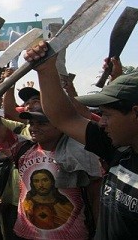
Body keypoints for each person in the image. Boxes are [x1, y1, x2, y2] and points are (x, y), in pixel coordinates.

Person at [24, 41, 138, 239]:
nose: (100, 122)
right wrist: (45, 70)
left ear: (135, 113)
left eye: (107, 115)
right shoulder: (118, 150)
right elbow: (63, 118)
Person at [0, 68, 103, 240]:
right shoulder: (24, 150)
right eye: (32, 123)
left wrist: (100, 232)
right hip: (24, 235)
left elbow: (95, 197)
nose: (34, 128)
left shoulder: (81, 153)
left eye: (41, 123)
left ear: (59, 123)